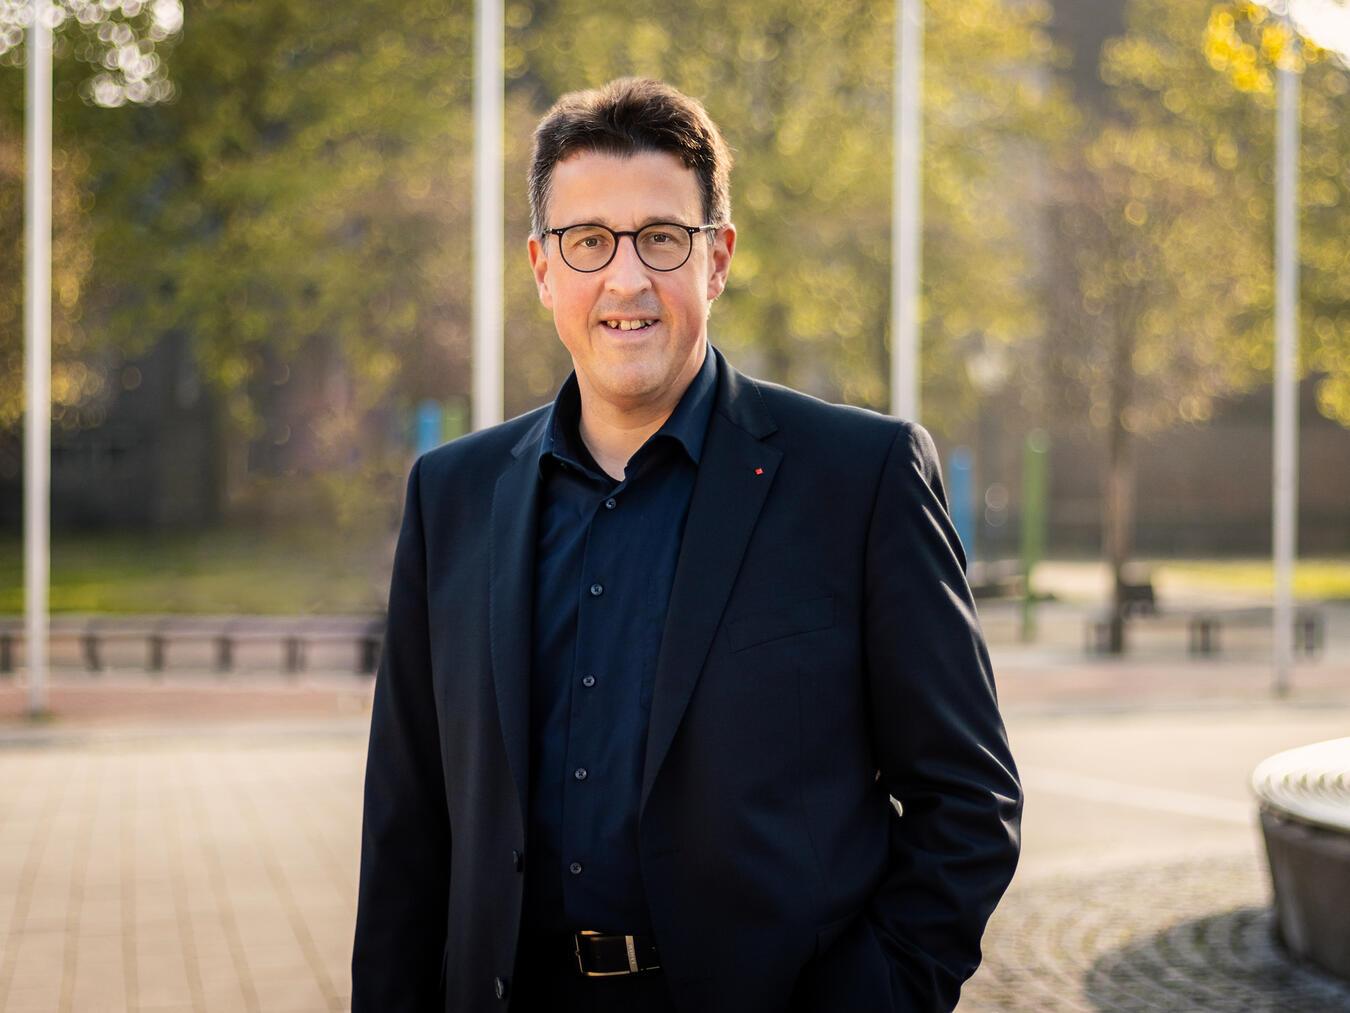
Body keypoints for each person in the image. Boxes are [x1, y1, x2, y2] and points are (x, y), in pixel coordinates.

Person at [351, 76, 1021, 1013]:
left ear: (718, 259)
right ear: (544, 269)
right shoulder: (451, 496)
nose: (627, 280)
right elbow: (407, 832)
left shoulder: (857, 479)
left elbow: (967, 804)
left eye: (663, 238)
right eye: (589, 242)